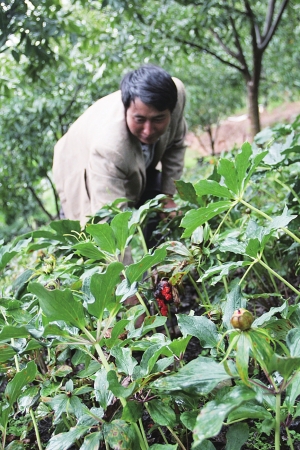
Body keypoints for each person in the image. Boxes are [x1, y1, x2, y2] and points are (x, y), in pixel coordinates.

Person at [52, 64, 187, 228]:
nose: (148, 130)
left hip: (134, 162)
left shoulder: (176, 94)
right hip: (76, 161)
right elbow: (110, 222)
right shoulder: (108, 147)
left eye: (158, 119)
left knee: (160, 204)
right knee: (89, 232)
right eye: (140, 120)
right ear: (126, 110)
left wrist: (168, 197)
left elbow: (175, 146)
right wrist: (119, 252)